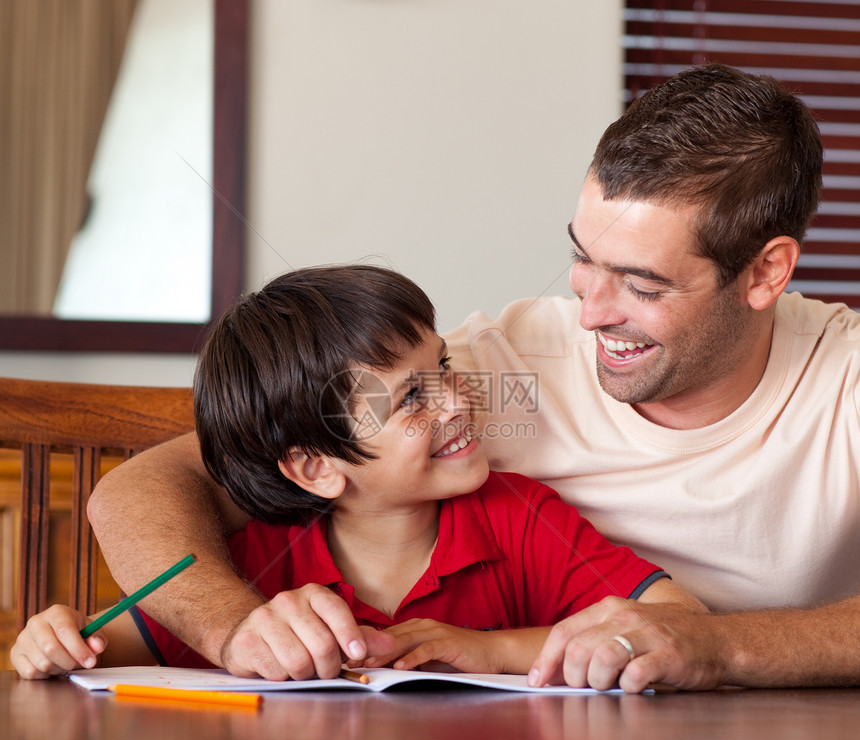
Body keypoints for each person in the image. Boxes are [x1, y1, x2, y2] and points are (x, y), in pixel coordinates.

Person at [84, 62, 860, 693]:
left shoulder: (845, 377)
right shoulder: (499, 371)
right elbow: (143, 487)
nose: (589, 313)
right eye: (584, 258)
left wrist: (720, 648)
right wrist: (232, 627)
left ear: (766, 274)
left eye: (643, 286)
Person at [13, 265, 702, 682]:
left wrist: (492, 651)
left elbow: (680, 620)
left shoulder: (519, 516)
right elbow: (102, 650)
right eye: (410, 398)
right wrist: (59, 639)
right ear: (315, 467)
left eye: (444, 368)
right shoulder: (251, 564)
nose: (456, 398)